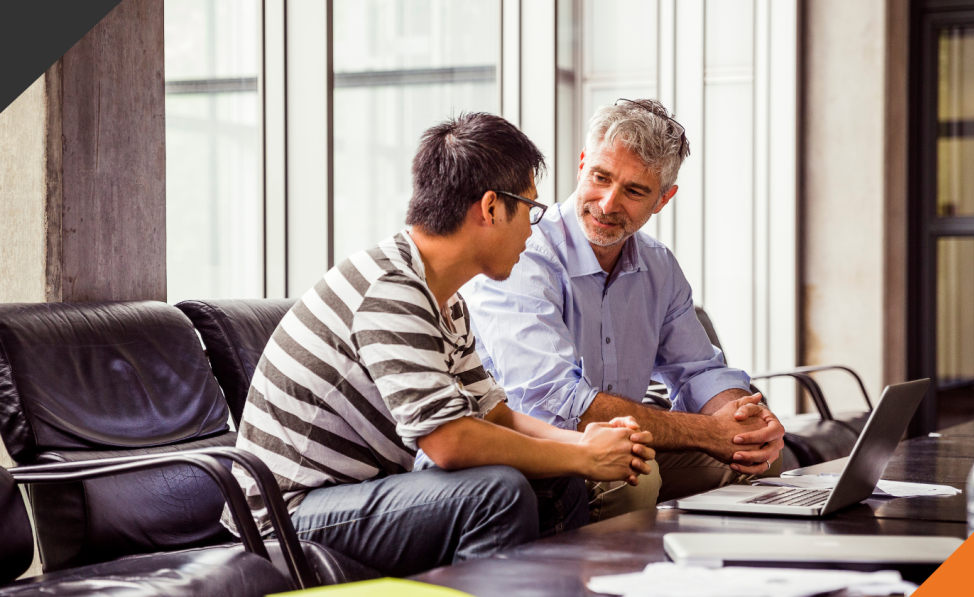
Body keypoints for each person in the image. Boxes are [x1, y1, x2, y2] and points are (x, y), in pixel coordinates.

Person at [221, 112, 656, 577]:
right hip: (284, 517)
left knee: (561, 482)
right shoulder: (390, 290)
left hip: (355, 496)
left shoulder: (444, 299)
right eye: (530, 209)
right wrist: (584, 454)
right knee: (498, 493)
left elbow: (495, 417)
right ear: (490, 208)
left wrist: (583, 444)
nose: (533, 230)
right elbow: (449, 441)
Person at [463, 99, 786, 522]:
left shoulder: (658, 265)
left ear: (663, 199)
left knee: (756, 459)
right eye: (601, 177)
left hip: (623, 445)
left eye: (635, 191)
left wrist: (746, 420)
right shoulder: (523, 253)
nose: (608, 203)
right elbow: (555, 402)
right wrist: (711, 432)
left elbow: (700, 370)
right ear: (582, 165)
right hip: (536, 448)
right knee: (635, 474)